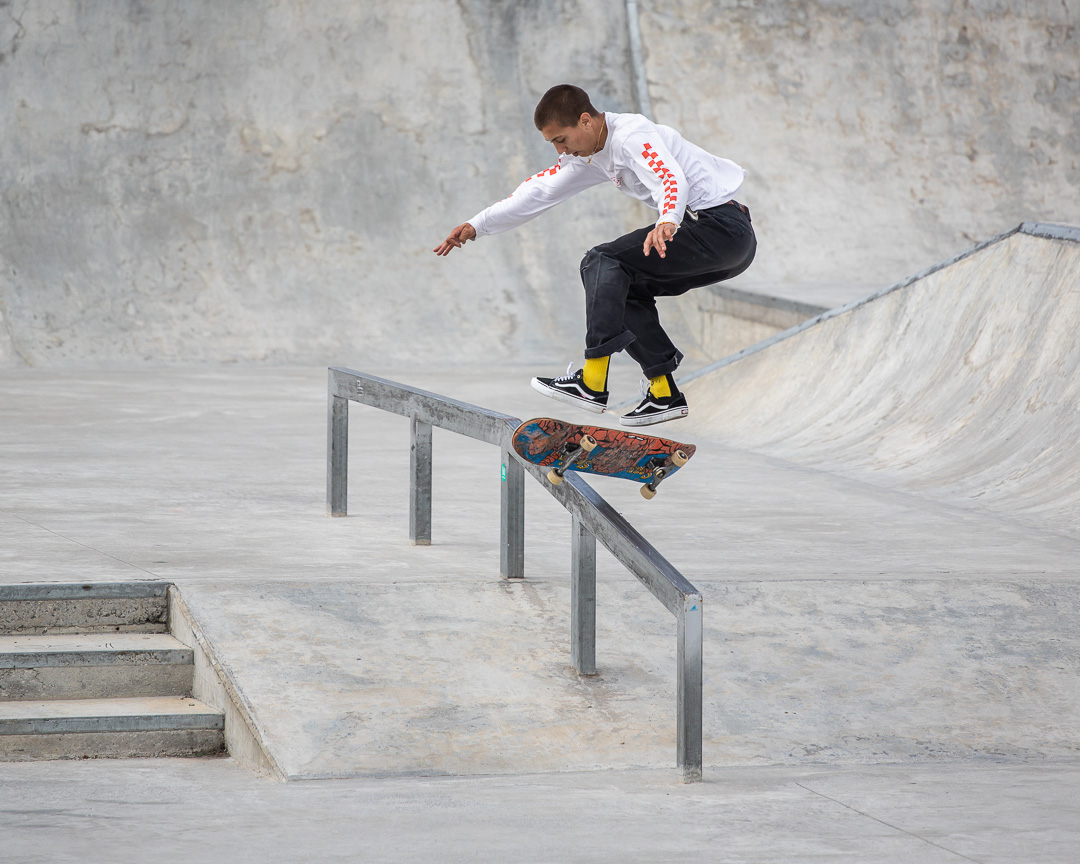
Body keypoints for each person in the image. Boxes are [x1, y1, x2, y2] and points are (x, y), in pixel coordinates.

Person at [434, 84, 756, 426]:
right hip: (722, 240)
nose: (561, 150)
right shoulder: (586, 156)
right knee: (620, 284)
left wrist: (667, 218)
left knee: (601, 260)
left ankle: (592, 380)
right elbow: (537, 192)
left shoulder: (632, 135)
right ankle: (664, 393)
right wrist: (477, 224)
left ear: (586, 121)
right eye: (554, 144)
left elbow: (670, 177)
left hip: (719, 228)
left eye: (562, 139)